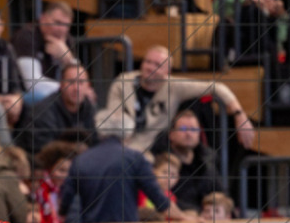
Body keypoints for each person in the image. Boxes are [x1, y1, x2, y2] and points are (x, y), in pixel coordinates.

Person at [96, 45, 256, 154]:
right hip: (120, 148)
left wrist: (239, 115)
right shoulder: (123, 83)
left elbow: (217, 87)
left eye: (157, 65)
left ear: (168, 72)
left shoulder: (174, 86)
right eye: (147, 62)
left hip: (151, 154)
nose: (150, 67)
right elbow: (113, 123)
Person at [57, 116, 172, 223]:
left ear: (100, 131)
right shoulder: (135, 158)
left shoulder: (81, 160)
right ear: (127, 134)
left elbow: (67, 198)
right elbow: (157, 196)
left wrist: (62, 212)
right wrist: (181, 216)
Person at [15, 60, 96, 159]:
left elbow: (96, 143)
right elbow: (42, 153)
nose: (76, 88)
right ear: (61, 85)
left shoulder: (90, 109)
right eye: (71, 82)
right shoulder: (43, 112)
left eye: (81, 82)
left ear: (88, 86)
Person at [149, 110, 223, 212]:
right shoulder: (159, 161)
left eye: (193, 129)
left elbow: (221, 192)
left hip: (205, 219)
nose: (188, 133)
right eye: (183, 129)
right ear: (171, 134)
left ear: (199, 134)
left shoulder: (208, 160)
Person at [11, 1, 74, 104]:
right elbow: (33, 85)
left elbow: (79, 79)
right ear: (43, 19)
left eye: (66, 25)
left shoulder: (66, 41)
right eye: (57, 23)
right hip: (21, 94)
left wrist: (69, 59)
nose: (61, 29)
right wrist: (69, 89)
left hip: (53, 92)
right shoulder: (27, 36)